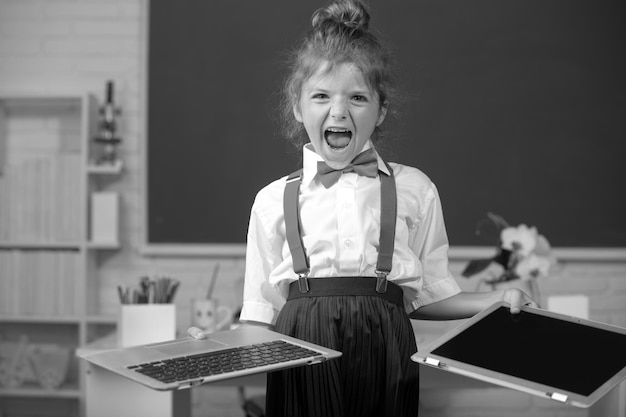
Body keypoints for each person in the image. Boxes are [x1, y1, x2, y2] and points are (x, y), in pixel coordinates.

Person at [191, 1, 537, 416]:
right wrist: (209, 353)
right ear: (299, 107)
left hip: (388, 342)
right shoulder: (271, 200)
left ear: (381, 110)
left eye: (357, 97)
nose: (338, 110)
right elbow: (258, 318)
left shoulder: (415, 188)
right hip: (301, 346)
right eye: (321, 96)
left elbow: (428, 298)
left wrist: (498, 297)